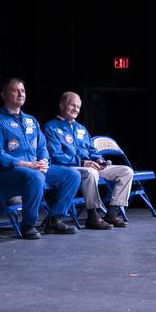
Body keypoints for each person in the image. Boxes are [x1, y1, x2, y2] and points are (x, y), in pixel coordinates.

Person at [0, 78, 82, 239]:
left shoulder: (31, 120)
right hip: (8, 173)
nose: (20, 93)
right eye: (15, 90)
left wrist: (44, 161)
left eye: (22, 90)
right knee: (35, 177)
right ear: (4, 95)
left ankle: (54, 220)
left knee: (72, 175)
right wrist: (27, 164)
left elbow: (42, 146)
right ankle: (28, 225)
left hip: (34, 168)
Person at [43, 91, 135, 229]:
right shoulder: (51, 127)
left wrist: (98, 160)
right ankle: (92, 215)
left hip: (90, 165)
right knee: (91, 172)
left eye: (78, 107)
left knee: (126, 171)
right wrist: (82, 162)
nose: (76, 109)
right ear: (62, 105)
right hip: (69, 168)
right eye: (72, 105)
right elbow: (56, 156)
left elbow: (92, 150)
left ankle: (111, 212)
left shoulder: (81, 129)